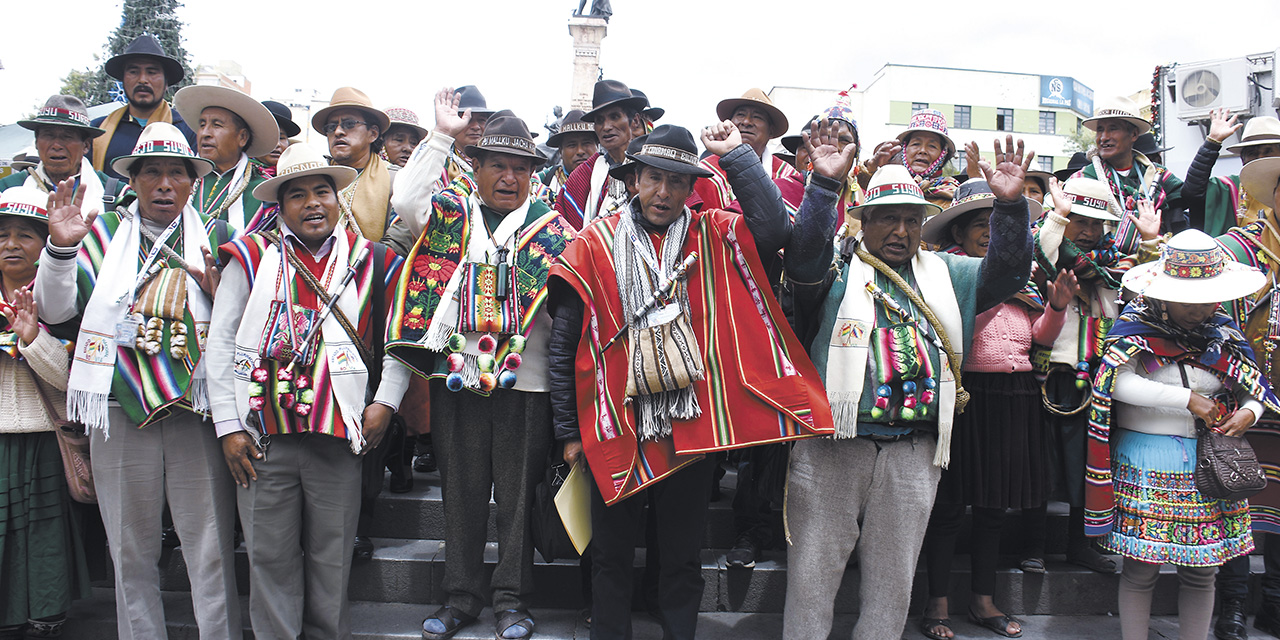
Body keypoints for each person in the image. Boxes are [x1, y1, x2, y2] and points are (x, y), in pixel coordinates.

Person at [548, 121, 834, 640]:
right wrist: (568, 433)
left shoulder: (715, 233)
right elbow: (565, 343)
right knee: (611, 558)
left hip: (693, 426)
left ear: (692, 186)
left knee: (681, 558)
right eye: (654, 178)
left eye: (678, 181)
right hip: (616, 422)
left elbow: (773, 231)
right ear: (633, 179)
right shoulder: (593, 244)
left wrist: (738, 156)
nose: (664, 192)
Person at [783, 133, 1034, 640]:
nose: (901, 230)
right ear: (864, 220)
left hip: (915, 454)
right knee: (811, 578)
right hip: (832, 446)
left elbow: (1008, 273)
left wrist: (1010, 207)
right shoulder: (832, 266)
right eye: (887, 218)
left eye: (912, 220)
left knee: (893, 584)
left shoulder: (951, 274)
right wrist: (824, 183)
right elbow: (801, 253)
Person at [35, 122, 239, 640]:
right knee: (130, 549)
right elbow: (57, 310)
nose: (165, 184)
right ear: (135, 180)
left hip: (197, 408)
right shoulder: (99, 234)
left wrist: (223, 296)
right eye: (153, 172)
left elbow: (241, 325)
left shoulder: (219, 239)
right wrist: (59, 251)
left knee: (210, 547)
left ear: (194, 181)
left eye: (177, 172)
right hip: (117, 405)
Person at [207, 142, 409, 640]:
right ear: (280, 206)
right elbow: (221, 341)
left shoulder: (375, 261)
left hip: (339, 435)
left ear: (340, 198)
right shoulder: (250, 258)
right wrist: (228, 427)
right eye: (297, 195)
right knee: (268, 558)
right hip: (262, 439)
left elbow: (402, 340)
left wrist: (385, 401)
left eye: (323, 191)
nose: (313, 203)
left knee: (332, 558)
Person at [385, 112, 573, 640]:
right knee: (461, 494)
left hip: (528, 385)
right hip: (458, 379)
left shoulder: (555, 229)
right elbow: (403, 201)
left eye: (519, 168)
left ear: (533, 173)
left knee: (516, 499)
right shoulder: (452, 214)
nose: (509, 178)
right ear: (476, 166)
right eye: (498, 166)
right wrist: (441, 135)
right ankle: (461, 596)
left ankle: (512, 599)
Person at [1087, 228, 1277, 640]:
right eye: (1191, 301)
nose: (1203, 309)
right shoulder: (1135, 327)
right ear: (1164, 294)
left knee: (1203, 571)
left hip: (1214, 463)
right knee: (1141, 568)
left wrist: (1249, 411)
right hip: (1147, 460)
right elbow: (1114, 385)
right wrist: (1187, 399)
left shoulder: (1223, 332)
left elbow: (1254, 386)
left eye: (1210, 298)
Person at [917, 178, 1072, 639]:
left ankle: (983, 602)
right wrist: (989, 290)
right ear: (959, 233)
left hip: (1015, 398)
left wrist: (1057, 308)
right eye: (979, 225)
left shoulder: (1024, 282)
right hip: (967, 397)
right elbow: (950, 328)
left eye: (995, 225)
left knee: (992, 508)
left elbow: (1040, 337)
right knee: (947, 508)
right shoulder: (946, 274)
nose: (989, 232)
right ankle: (936, 605)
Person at [0, 187, 90, 640]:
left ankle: (46, 612)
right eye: (3, 235)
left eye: (24, 236)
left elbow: (67, 381)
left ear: (44, 246)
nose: (11, 244)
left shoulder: (62, 304)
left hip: (44, 437)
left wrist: (33, 338)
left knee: (43, 533)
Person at [1214, 155, 1280, 640]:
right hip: (1244, 387)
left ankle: (1275, 602)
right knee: (1236, 498)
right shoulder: (1239, 246)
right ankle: (1231, 609)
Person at [1074, 96, 1185, 248]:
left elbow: (1192, 195)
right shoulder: (1082, 179)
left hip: (1151, 260)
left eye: (1113, 128)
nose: (1104, 137)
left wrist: (1212, 143)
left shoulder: (1157, 175)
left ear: (1133, 134)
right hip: (1098, 264)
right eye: (1100, 130)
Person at [174, 85, 280, 232]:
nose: (205, 133)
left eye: (216, 125)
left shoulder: (264, 191)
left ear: (242, 137)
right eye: (202, 125)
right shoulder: (177, 179)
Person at [90, 34, 197, 179]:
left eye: (152, 72)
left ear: (166, 83)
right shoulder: (98, 130)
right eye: (133, 72)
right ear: (122, 79)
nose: (143, 80)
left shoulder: (186, 131)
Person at [554, 79, 648, 229]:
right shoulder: (583, 175)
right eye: (599, 120)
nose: (606, 127)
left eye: (615, 117)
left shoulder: (652, 167)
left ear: (635, 121)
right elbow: (563, 230)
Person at [0, 96, 125, 206]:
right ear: (36, 142)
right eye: (48, 135)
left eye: (67, 137)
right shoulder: (8, 188)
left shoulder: (115, 193)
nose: (56, 145)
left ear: (86, 146)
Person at [692, 88, 800, 211]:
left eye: (757, 117)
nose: (746, 122)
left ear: (771, 131)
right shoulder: (704, 172)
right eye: (740, 115)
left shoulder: (787, 176)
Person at [312, 87, 397, 241]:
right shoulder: (311, 176)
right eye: (331, 127)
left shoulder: (396, 180)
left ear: (373, 134)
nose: (338, 131)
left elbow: (398, 242)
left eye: (349, 124)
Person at [1185, 109, 1280, 237]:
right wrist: (1212, 142)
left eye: (1268, 151)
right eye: (1252, 153)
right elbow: (1192, 192)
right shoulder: (1229, 188)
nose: (1260, 157)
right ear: (1242, 159)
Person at [858, 108, 960, 209]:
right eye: (916, 144)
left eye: (932, 146)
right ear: (904, 150)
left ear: (942, 157)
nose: (922, 150)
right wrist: (872, 168)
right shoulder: (888, 183)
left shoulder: (953, 195)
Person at [537, 109, 597, 207]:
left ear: (597, 146)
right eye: (572, 145)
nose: (580, 151)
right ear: (560, 151)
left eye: (586, 143)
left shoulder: (610, 181)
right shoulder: (541, 182)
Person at [254, 100, 301, 177]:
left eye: (281, 138)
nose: (277, 144)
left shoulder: (297, 174)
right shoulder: (238, 173)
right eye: (269, 137)